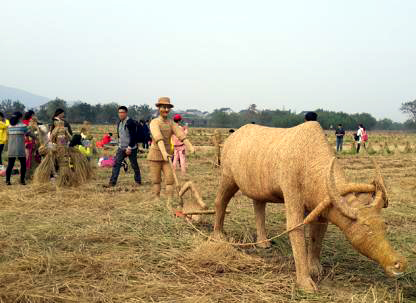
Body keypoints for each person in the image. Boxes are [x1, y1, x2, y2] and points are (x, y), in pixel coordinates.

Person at [147, 97, 195, 203]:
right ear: (159, 108)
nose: (166, 110)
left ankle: (169, 201)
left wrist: (190, 146)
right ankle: (157, 199)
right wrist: (163, 152)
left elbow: (180, 134)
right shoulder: (154, 122)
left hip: (168, 154)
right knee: (156, 180)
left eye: (168, 107)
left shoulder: (171, 123)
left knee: (170, 180)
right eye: (163, 107)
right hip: (155, 154)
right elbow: (158, 137)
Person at [108, 106, 142, 186]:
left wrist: (129, 147)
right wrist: (119, 144)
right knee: (116, 164)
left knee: (134, 165)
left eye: (122, 112)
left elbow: (133, 136)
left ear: (126, 113)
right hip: (121, 147)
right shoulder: (119, 122)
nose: (121, 114)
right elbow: (120, 135)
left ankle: (138, 181)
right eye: (119, 112)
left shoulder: (130, 122)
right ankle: (112, 182)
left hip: (131, 148)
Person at [5, 112, 34, 185]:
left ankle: (7, 181)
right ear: (19, 118)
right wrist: (37, 137)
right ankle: (22, 181)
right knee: (23, 164)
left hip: (11, 147)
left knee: (10, 164)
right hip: (20, 147)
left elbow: (8, 134)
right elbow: (29, 133)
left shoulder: (9, 126)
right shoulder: (23, 126)